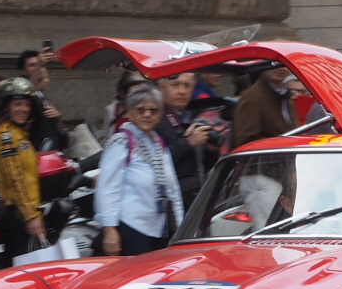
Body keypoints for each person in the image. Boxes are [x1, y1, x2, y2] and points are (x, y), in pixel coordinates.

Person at [96, 85, 184, 256]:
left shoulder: (159, 143)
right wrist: (109, 230)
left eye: (153, 110)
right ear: (130, 113)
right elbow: (107, 189)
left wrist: (181, 226)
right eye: (141, 110)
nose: (147, 115)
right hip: (131, 228)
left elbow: (173, 189)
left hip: (159, 228)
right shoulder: (121, 142)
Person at [0, 76, 47, 255]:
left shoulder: (20, 133)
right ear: (6, 107)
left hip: (26, 211)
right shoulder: (5, 135)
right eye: (17, 104)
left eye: (27, 104)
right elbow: (16, 179)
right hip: (16, 214)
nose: (23, 109)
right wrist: (31, 217)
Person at [154, 71, 220, 203]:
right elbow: (154, 162)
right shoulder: (154, 118)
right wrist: (187, 143)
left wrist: (211, 150)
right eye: (175, 85)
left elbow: (199, 166)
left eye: (187, 86)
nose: (182, 91)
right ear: (161, 88)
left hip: (196, 193)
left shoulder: (193, 116)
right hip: (169, 199)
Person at [232, 65, 299, 148]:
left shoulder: (285, 94)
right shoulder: (252, 98)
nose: (280, 68)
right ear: (262, 67)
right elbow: (246, 142)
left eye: (282, 64)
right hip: (272, 158)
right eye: (272, 64)